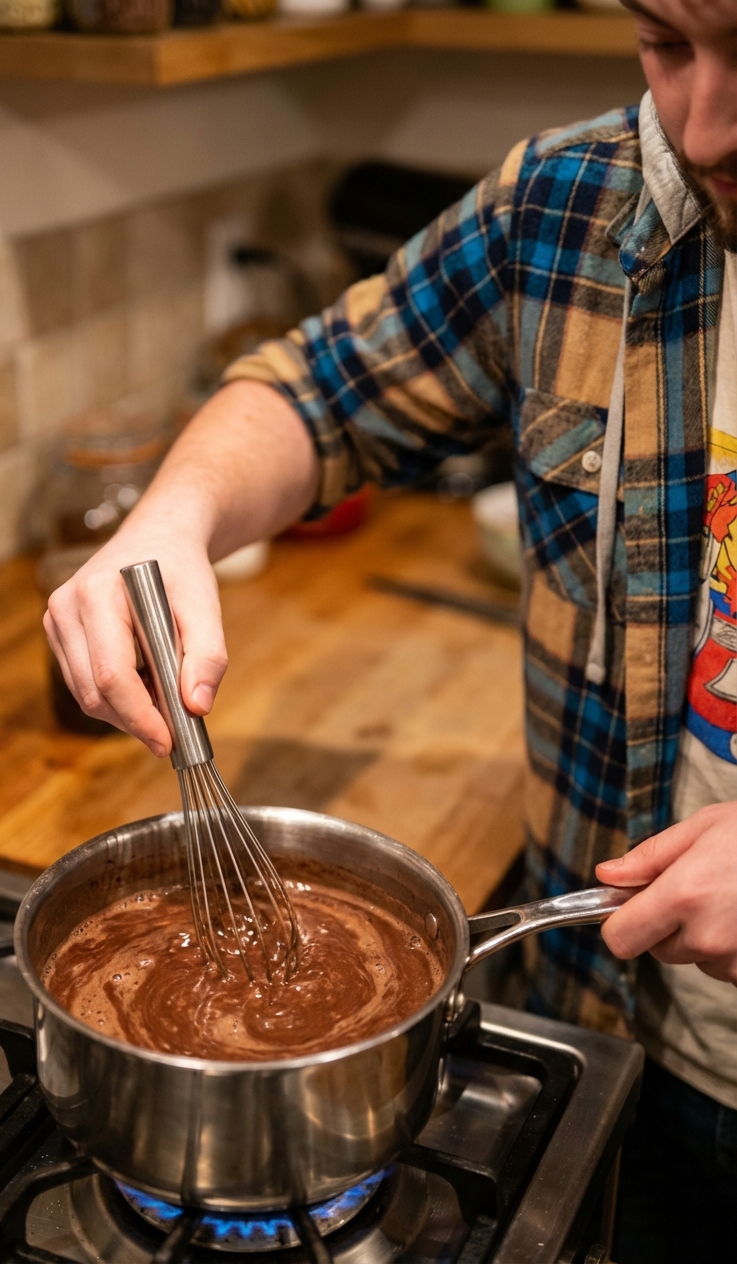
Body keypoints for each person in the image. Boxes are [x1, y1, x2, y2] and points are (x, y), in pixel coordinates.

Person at [44, 0, 737, 1257]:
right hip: (602, 1034)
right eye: (662, 40)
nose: (700, 121)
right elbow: (316, 393)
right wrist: (171, 515)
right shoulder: (573, 206)